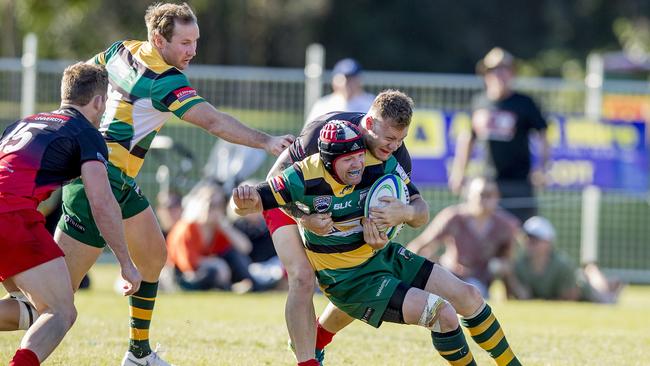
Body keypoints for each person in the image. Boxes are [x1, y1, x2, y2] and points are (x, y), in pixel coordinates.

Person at [52, 3, 294, 366]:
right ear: (157, 38)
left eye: (195, 41)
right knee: (51, 302)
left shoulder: (122, 49)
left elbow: (80, 78)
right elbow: (213, 122)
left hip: (116, 181)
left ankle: (138, 354)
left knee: (153, 256)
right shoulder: (166, 80)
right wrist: (266, 141)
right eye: (184, 42)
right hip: (96, 183)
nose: (192, 51)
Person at [232, 120, 521, 366]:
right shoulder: (303, 175)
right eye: (348, 159)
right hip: (352, 282)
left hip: (383, 256)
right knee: (442, 313)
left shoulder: (380, 160)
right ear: (327, 160)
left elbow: (420, 210)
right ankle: (307, 353)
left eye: (359, 155)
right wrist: (247, 200)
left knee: (469, 295)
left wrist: (400, 216)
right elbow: (253, 202)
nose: (358, 163)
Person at [263, 90, 431, 365]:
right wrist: (303, 217)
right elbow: (273, 182)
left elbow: (409, 208)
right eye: (389, 139)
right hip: (288, 204)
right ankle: (307, 361)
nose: (394, 146)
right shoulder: (323, 132)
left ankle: (317, 338)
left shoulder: (397, 155)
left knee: (360, 272)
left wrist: (384, 236)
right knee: (302, 277)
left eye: (401, 140)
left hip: (331, 213)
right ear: (370, 124)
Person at [0, 63, 141, 366]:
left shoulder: (23, 123)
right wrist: (126, 263)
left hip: (8, 212)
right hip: (11, 216)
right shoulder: (85, 132)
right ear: (99, 101)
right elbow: (101, 202)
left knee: (33, 308)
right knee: (62, 311)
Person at [448, 47, 550, 223]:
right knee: (485, 231)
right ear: (487, 74)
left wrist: (543, 168)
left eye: (506, 69)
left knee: (524, 231)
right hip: (488, 182)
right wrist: (459, 173)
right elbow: (468, 139)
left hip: (519, 182)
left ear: (512, 74)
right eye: (495, 70)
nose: (501, 74)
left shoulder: (525, 103)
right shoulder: (479, 102)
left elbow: (543, 136)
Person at [407, 177, 520, 298]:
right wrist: (411, 270)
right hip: (450, 275)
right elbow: (421, 244)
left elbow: (509, 260)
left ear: (497, 197)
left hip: (479, 282)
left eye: (491, 195)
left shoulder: (505, 225)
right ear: (470, 196)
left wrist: (502, 266)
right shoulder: (453, 217)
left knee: (476, 293)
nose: (486, 200)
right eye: (482, 194)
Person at [166, 182, 265, 293]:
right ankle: (232, 288)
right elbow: (187, 265)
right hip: (182, 276)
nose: (211, 209)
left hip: (208, 272)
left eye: (218, 205)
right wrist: (216, 263)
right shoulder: (187, 227)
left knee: (233, 256)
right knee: (212, 272)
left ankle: (252, 286)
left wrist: (225, 226)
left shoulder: (217, 229)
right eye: (209, 203)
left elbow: (245, 248)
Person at [506, 216, 624, 303]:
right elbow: (522, 296)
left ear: (548, 243)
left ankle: (595, 274)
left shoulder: (562, 265)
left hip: (582, 290)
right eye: (527, 239)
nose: (529, 243)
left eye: (535, 240)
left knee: (607, 300)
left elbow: (570, 296)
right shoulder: (520, 265)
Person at [305, 58, 375, 123]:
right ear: (334, 80)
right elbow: (308, 132)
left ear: (359, 80)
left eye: (350, 79)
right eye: (342, 78)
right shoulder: (323, 105)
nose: (346, 83)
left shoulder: (371, 104)